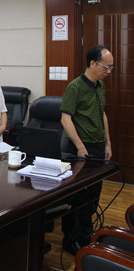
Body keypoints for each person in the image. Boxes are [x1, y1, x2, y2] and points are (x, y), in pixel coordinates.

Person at [60, 45, 114, 255]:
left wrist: (107, 142)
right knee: (77, 198)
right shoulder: (75, 87)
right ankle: (71, 241)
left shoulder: (100, 86)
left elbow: (102, 114)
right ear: (92, 63)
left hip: (98, 147)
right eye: (106, 67)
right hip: (81, 149)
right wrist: (80, 147)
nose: (108, 71)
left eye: (111, 67)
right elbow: (66, 119)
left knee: (93, 197)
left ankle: (86, 237)